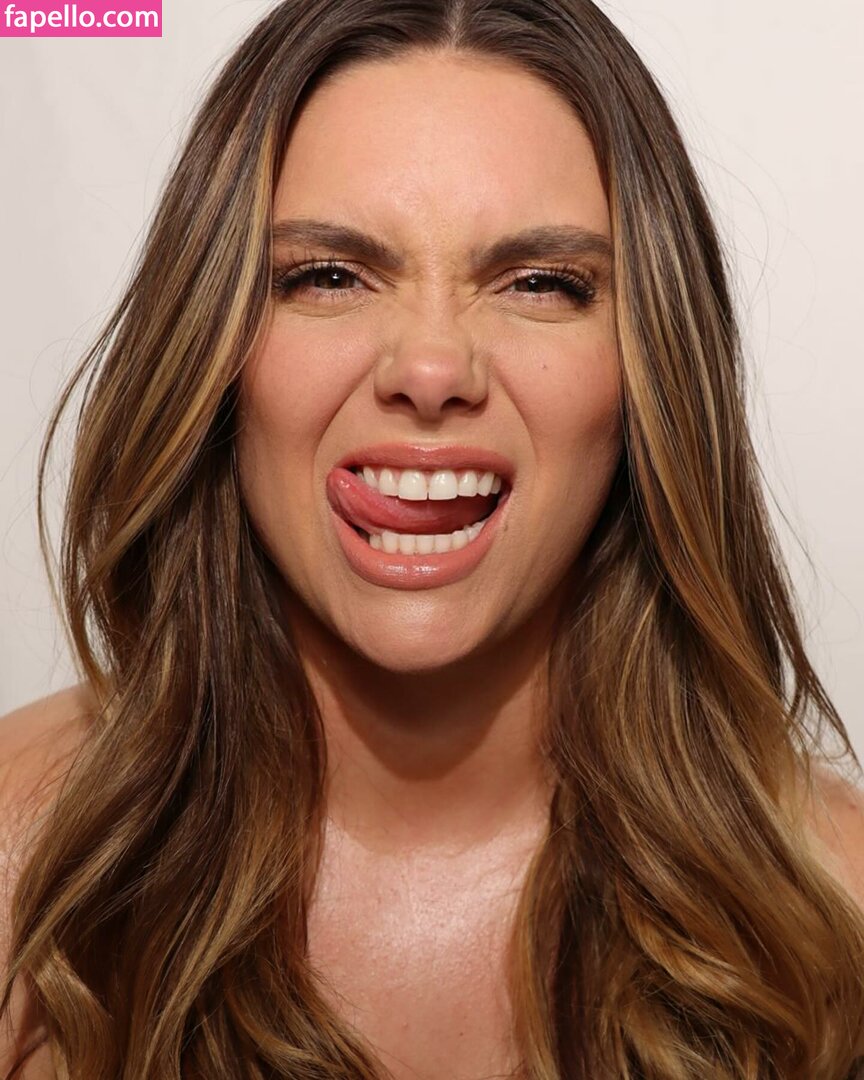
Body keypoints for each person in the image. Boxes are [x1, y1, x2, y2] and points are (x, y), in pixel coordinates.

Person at [1, 0, 863, 1076]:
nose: (431, 369)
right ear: (211, 350)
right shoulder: (23, 864)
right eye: (328, 275)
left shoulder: (833, 914)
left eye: (540, 283)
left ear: (650, 373)